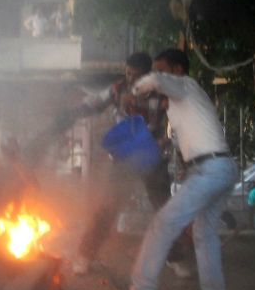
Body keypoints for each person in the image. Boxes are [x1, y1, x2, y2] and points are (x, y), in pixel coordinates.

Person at [108, 48, 238, 290]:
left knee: (163, 222)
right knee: (205, 234)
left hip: (210, 170)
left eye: (161, 69)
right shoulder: (183, 101)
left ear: (178, 70)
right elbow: (184, 135)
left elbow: (155, 82)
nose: (156, 75)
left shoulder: (186, 85)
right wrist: (162, 143)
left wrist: (135, 91)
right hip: (220, 168)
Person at [58, 52, 171, 275]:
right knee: (107, 208)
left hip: (151, 158)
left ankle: (177, 259)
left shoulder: (161, 94)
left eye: (136, 75)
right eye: (128, 73)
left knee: (165, 210)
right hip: (125, 159)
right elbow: (94, 103)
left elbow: (174, 123)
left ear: (147, 75)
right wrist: (70, 113)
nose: (130, 79)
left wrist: (164, 140)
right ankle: (84, 256)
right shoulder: (118, 89)